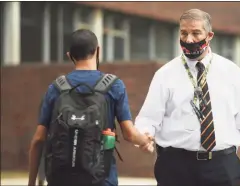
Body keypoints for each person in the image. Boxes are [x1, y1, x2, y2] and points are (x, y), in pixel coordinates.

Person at [135, 9, 240, 186]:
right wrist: (144, 136)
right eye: (184, 33)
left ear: (209, 36)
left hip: (222, 167)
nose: (189, 39)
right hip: (175, 168)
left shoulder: (231, 72)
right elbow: (148, 117)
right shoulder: (165, 74)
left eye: (195, 33)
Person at [28, 29, 152, 186]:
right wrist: (144, 140)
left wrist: (31, 182)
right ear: (98, 50)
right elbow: (129, 134)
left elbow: (39, 139)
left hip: (61, 180)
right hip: (102, 180)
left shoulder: (56, 88)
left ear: (69, 55)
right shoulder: (114, 86)